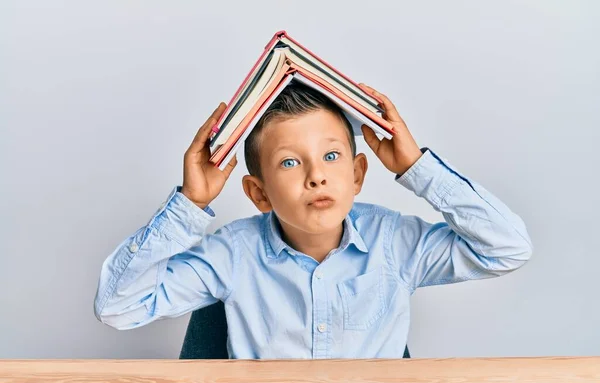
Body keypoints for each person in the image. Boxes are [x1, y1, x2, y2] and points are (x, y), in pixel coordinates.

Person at [93, 82, 533, 359]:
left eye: (331, 155)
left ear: (358, 174)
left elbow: (507, 247)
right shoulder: (233, 254)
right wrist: (189, 204)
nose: (316, 174)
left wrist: (416, 168)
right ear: (259, 194)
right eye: (289, 163)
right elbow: (117, 306)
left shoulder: (395, 242)